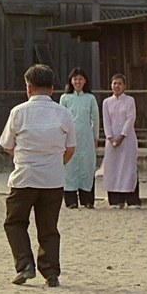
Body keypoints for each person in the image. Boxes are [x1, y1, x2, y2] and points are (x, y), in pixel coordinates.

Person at [0, 64, 75, 288]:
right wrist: (55, 164)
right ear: (52, 89)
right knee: (49, 227)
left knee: (15, 222)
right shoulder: (63, 113)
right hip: (53, 179)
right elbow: (71, 148)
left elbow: (7, 145)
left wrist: (25, 157)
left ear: (29, 87)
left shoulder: (19, 112)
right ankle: (51, 272)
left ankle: (25, 265)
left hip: (25, 177)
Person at [59, 68, 99, 209]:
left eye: (80, 79)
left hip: (86, 138)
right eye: (75, 79)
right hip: (69, 137)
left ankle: (87, 200)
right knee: (70, 168)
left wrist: (95, 137)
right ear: (71, 81)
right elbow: (61, 118)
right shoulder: (65, 98)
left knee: (86, 168)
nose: (78, 82)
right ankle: (71, 201)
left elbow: (95, 118)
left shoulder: (90, 98)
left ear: (85, 81)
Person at [102, 73, 141, 208]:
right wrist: (110, 137)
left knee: (128, 168)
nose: (117, 86)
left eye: (120, 83)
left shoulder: (129, 100)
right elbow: (106, 121)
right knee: (113, 168)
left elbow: (130, 119)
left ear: (124, 86)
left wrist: (122, 136)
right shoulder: (107, 102)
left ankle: (132, 200)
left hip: (127, 139)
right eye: (114, 83)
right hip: (111, 140)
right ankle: (115, 200)